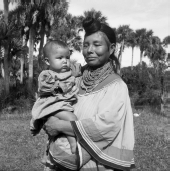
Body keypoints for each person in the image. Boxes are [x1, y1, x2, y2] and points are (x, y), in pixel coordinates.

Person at [43, 17, 135, 171]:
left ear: (111, 49)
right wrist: (50, 118)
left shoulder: (117, 87)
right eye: (86, 45)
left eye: (97, 44)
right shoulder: (75, 79)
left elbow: (106, 125)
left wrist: (59, 125)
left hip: (96, 165)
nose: (90, 50)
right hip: (62, 160)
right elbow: (55, 102)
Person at [30, 40, 82, 167]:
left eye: (67, 57)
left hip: (60, 105)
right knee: (72, 119)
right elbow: (45, 87)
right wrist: (64, 83)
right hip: (52, 105)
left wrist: (75, 76)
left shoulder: (67, 73)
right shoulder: (46, 74)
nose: (65, 61)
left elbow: (74, 81)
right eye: (59, 58)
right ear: (48, 61)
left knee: (56, 132)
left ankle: (47, 155)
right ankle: (74, 143)